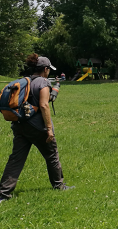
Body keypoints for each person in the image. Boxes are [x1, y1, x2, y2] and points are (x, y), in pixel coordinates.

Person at [0, 54, 73, 203]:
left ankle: (3, 194)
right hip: (38, 128)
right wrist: (49, 129)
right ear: (45, 69)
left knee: (16, 159)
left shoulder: (25, 81)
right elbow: (44, 104)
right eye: (48, 69)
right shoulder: (43, 82)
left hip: (20, 126)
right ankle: (59, 186)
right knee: (52, 156)